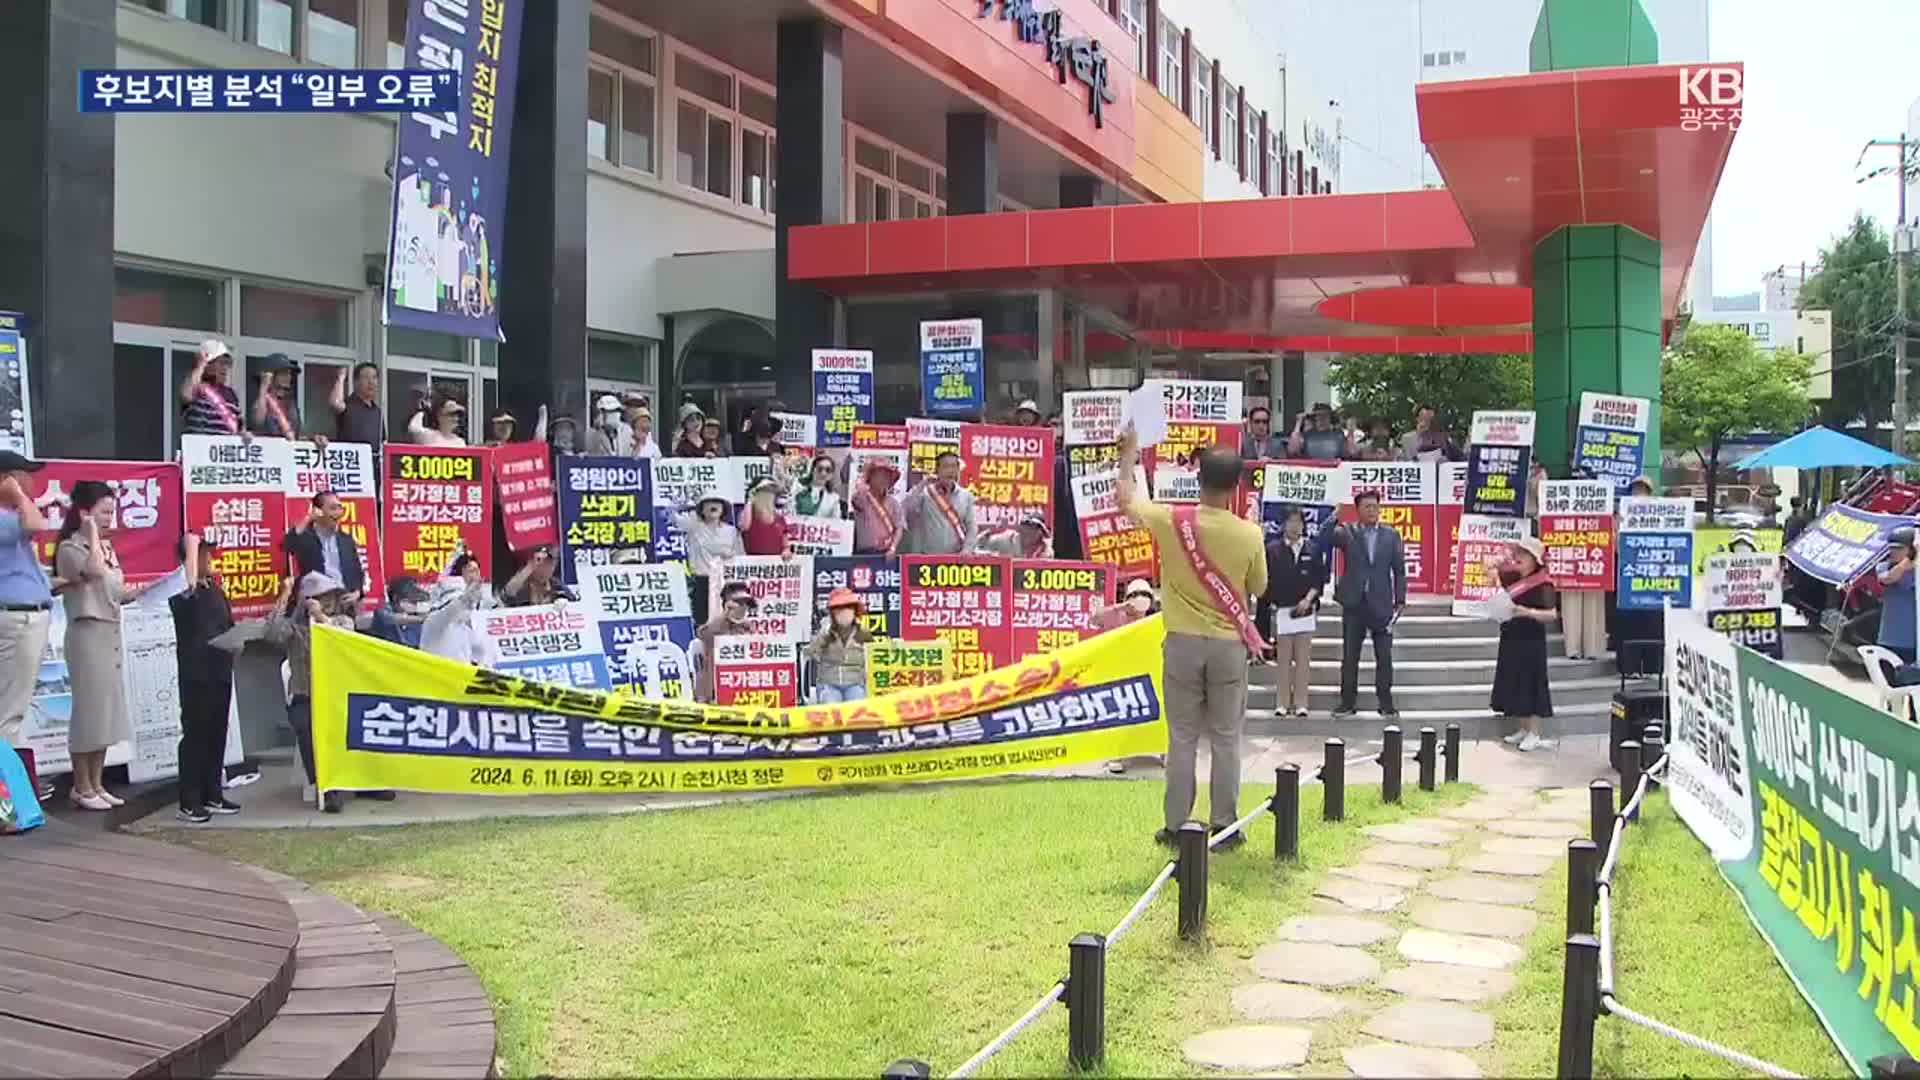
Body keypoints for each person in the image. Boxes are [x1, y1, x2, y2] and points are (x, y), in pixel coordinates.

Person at [1115, 427, 1266, 849]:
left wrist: (1128, 456)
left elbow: (1125, 501)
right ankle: (1224, 824)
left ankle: (1177, 824)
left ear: (1198, 478)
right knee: (1226, 737)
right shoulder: (1248, 534)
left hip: (1181, 640)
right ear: (1236, 486)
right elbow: (1259, 587)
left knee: (1181, 737)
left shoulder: (1170, 519)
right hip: (1228, 646)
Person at [55, 481, 158, 810]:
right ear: (85, 513)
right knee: (89, 711)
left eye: (112, 512)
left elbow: (113, 590)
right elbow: (94, 571)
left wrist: (142, 591)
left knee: (107, 712)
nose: (109, 519)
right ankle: (81, 786)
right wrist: (92, 535)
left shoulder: (107, 549)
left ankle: (98, 783)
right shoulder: (72, 548)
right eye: (103, 512)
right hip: (86, 633)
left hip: (110, 630)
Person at [265, 572, 358, 812]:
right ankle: (324, 786)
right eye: (318, 597)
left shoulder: (343, 621)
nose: (325, 601)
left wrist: (320, 616)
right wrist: (285, 595)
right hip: (304, 695)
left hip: (336, 695)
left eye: (329, 596)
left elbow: (344, 639)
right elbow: (273, 633)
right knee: (305, 726)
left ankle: (362, 781)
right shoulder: (295, 630)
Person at [170, 533, 239, 823]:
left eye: (209, 553)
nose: (208, 559)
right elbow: (187, 588)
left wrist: (238, 640)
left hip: (221, 668)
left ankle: (213, 793)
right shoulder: (181, 589)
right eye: (202, 553)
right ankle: (190, 799)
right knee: (196, 735)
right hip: (197, 670)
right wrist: (191, 545)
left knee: (216, 733)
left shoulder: (215, 588)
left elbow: (227, 622)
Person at [1319, 489, 1407, 718]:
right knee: (1350, 657)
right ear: (1357, 510)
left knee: (1384, 658)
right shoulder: (1348, 532)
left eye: (1375, 507)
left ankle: (1386, 703)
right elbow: (1324, 536)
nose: (1372, 511)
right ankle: (1347, 703)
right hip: (1354, 603)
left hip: (1381, 604)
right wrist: (1333, 515)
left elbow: (1399, 569)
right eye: (1367, 507)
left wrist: (1400, 599)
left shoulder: (1391, 535)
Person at [0, 452, 51, 802]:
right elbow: (36, 525)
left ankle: (14, 797)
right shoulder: (6, 517)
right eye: (23, 476)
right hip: (17, 618)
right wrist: (18, 495)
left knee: (9, 710)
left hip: (24, 615)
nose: (31, 484)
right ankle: (11, 801)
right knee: (8, 714)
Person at [1491, 537, 1559, 751]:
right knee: (1514, 681)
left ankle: (1535, 732)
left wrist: (1527, 612)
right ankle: (1522, 727)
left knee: (1532, 683)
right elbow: (1489, 571)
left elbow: (1552, 614)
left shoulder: (1543, 582)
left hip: (1531, 638)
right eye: (1517, 553)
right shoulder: (1512, 578)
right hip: (1512, 635)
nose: (1518, 557)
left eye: (1523, 554)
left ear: (1534, 560)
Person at [1265, 506, 1327, 718]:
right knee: (1283, 660)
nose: (1295, 526)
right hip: (1282, 611)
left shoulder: (1313, 548)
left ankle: (1301, 703)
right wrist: (1273, 603)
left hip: (1306, 611)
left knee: (1303, 660)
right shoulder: (1272, 549)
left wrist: (1308, 599)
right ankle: (1282, 703)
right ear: (1283, 524)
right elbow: (1267, 581)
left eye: (1299, 522)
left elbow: (1319, 579)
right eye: (1291, 522)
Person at [285, 491, 365, 603]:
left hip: (343, 600)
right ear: (318, 512)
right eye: (333, 508)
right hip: (314, 601)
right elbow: (288, 545)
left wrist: (357, 592)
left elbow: (357, 572)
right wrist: (309, 518)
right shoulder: (307, 537)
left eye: (340, 508)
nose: (338, 513)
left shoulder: (346, 539)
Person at [676, 491, 743, 624]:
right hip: (702, 582)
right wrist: (682, 502)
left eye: (718, 502)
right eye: (709, 503)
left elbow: (740, 555)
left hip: (726, 583)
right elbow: (671, 517)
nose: (713, 505)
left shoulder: (731, 531)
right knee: (703, 624)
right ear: (702, 509)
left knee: (727, 623)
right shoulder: (694, 527)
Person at [420, 550, 496, 664]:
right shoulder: (434, 621)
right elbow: (449, 612)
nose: (475, 575)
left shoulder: (470, 624)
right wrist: (465, 599)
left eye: (477, 571)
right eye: (470, 571)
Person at [899, 451, 978, 554]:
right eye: (946, 467)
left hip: (956, 559)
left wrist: (967, 550)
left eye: (954, 467)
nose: (950, 471)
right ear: (937, 470)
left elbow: (972, 527)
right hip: (927, 559)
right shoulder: (925, 493)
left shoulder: (966, 496)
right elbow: (905, 508)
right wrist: (922, 484)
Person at [808, 588, 873, 703]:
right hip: (829, 684)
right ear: (832, 613)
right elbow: (811, 652)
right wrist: (823, 634)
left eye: (848, 608)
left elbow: (874, 656)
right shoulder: (825, 633)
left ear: (854, 611)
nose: (844, 612)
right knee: (831, 706)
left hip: (855, 683)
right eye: (839, 609)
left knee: (857, 707)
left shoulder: (863, 633)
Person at [696, 582, 756, 702]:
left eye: (746, 604)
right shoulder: (714, 627)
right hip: (714, 692)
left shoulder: (748, 629)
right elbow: (703, 634)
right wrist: (725, 616)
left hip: (744, 690)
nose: (743, 608)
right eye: (739, 603)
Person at [179, 339, 245, 436]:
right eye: (221, 363)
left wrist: (245, 434)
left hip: (223, 449)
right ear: (208, 364)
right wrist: (200, 365)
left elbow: (239, 427)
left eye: (227, 364)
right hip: (198, 448)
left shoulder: (231, 394)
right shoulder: (196, 387)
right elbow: (186, 395)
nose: (225, 368)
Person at [1878, 529, 1917, 666]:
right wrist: (1910, 561)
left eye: (1899, 548)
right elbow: (1888, 578)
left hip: (1914, 641)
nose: (1893, 552)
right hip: (1889, 639)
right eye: (1891, 548)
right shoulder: (1884, 566)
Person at [850, 460, 904, 555]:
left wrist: (893, 548)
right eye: (878, 475)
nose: (882, 479)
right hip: (864, 553)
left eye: (886, 476)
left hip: (887, 553)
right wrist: (863, 482)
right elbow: (856, 499)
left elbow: (899, 528)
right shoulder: (861, 498)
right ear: (870, 478)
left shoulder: (894, 503)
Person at [362, 576, 428, 648]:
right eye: (411, 601)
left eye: (415, 602)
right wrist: (418, 619)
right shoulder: (382, 611)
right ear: (395, 598)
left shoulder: (416, 620)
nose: (414, 605)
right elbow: (388, 618)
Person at [250, 354, 306, 440]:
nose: (289, 377)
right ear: (271, 376)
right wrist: (264, 385)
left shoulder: (290, 403)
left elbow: (299, 434)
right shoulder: (263, 401)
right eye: (284, 373)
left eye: (290, 374)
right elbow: (258, 421)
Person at [331, 362, 385, 448]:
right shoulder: (348, 405)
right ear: (355, 382)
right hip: (352, 458)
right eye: (366, 377)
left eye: (374, 377)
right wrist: (341, 378)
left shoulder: (377, 411)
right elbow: (335, 403)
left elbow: (383, 441)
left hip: (373, 460)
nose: (371, 382)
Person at [501, 546, 575, 606]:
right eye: (544, 562)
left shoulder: (557, 586)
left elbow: (573, 601)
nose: (550, 567)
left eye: (553, 562)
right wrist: (530, 566)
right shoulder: (521, 584)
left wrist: (564, 603)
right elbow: (507, 594)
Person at [740, 477, 791, 556]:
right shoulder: (749, 512)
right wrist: (750, 500)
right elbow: (744, 526)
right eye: (764, 491)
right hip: (753, 563)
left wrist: (786, 550)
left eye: (772, 492)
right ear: (756, 494)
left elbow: (785, 543)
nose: (769, 495)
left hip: (774, 564)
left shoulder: (779, 518)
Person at [1288, 404, 1356, 462]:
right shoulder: (1307, 435)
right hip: (1313, 473)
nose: (1321, 420)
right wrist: (1298, 424)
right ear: (1315, 419)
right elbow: (1292, 451)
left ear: (1330, 418)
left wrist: (1351, 432)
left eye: (1325, 416)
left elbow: (1351, 453)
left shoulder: (1338, 435)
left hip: (1333, 473)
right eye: (1318, 417)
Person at [977, 514, 1052, 558]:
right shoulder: (1005, 539)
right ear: (1020, 529)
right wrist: (988, 555)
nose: (1028, 532)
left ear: (1041, 532)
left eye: (1033, 528)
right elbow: (976, 546)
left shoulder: (1046, 552)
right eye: (1026, 527)